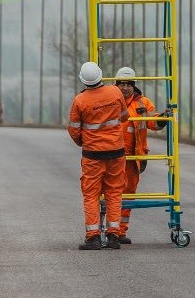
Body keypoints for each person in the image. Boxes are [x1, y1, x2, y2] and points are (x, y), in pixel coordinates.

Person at [67, 61, 128, 250]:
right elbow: (124, 116)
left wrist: (84, 143)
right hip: (116, 152)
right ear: (101, 75)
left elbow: (74, 130)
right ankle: (113, 236)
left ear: (83, 80)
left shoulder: (80, 101)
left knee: (91, 195)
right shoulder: (116, 93)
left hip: (93, 155)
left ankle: (93, 237)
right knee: (114, 193)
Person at [114, 66, 168, 244]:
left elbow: (153, 121)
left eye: (128, 84)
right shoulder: (111, 100)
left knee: (128, 194)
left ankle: (120, 232)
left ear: (133, 85)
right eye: (121, 83)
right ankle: (110, 230)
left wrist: (162, 118)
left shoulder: (142, 103)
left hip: (134, 157)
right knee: (112, 193)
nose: (125, 87)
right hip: (112, 155)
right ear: (116, 84)